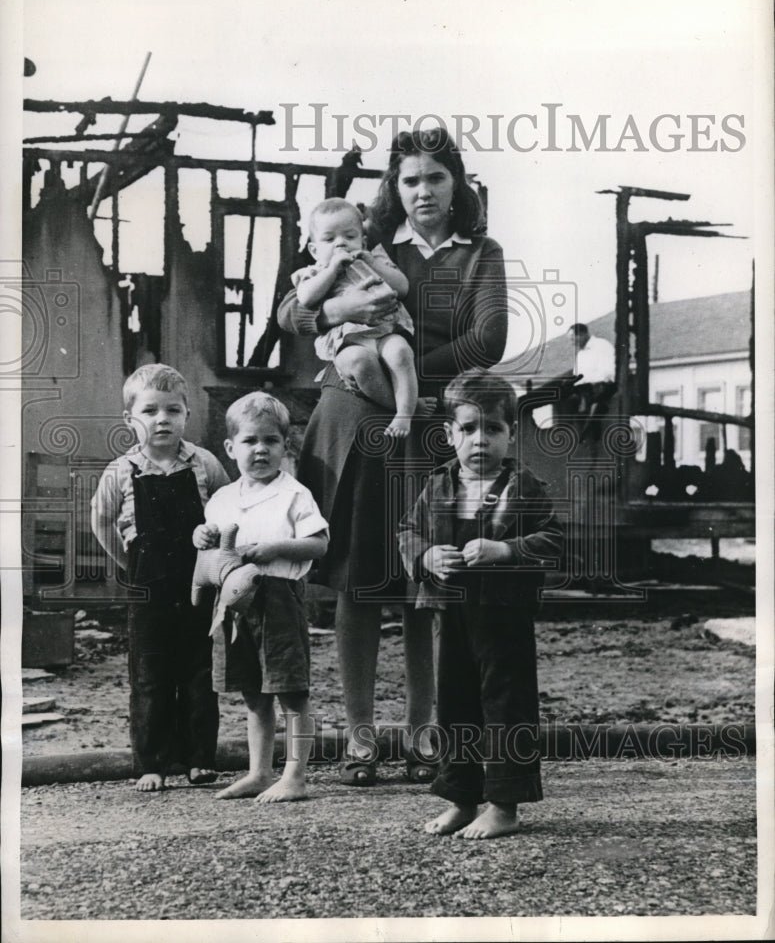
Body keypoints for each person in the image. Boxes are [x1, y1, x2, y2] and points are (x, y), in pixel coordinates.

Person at [277, 127, 507, 786]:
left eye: (435, 178)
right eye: (409, 180)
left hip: (428, 423)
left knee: (422, 583)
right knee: (357, 582)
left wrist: (394, 374)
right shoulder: (365, 241)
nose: (423, 191)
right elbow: (290, 314)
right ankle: (356, 737)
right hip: (350, 424)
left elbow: (487, 338)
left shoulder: (479, 253)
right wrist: (335, 312)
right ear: (394, 188)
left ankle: (421, 729)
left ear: (456, 183)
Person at [398, 369, 563, 839]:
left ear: (511, 433)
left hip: (503, 618)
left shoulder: (524, 487)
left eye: (493, 428)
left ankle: (505, 805)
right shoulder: (437, 486)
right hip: (450, 615)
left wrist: (507, 550)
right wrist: (427, 556)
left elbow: (554, 540)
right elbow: (407, 533)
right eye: (468, 428)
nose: (480, 440)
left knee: (505, 706)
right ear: (449, 433)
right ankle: (462, 798)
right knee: (453, 704)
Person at [91, 364, 230, 792]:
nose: (162, 419)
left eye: (173, 410)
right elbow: (101, 520)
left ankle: (198, 758)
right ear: (130, 419)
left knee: (199, 673)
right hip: (148, 589)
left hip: (198, 588)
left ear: (188, 415)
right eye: (149, 410)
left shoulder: (204, 463)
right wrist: (127, 566)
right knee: (149, 676)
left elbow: (229, 510)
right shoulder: (120, 470)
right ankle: (152, 763)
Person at [193, 392, 329, 802]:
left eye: (271, 441)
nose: (261, 450)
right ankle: (258, 771)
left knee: (289, 689)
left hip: (278, 598)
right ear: (231, 447)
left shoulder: (294, 493)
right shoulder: (222, 498)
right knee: (253, 690)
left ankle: (295, 775)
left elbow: (319, 544)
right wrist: (200, 536)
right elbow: (210, 549)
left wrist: (274, 548)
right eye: (250, 441)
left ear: (284, 446)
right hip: (234, 603)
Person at [292, 197, 421, 438]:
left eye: (349, 237)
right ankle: (401, 407)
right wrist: (332, 270)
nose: (341, 244)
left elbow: (402, 287)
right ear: (314, 249)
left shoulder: (375, 259)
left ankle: (405, 413)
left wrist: (371, 262)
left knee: (401, 352)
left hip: (385, 330)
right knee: (360, 363)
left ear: (362, 241)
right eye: (330, 239)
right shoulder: (316, 271)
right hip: (349, 340)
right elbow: (306, 298)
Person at [567, 323, 616, 419]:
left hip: (603, 388)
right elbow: (576, 376)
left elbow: (607, 373)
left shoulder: (602, 345)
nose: (572, 343)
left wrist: (585, 381)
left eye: (573, 339)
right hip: (584, 391)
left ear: (582, 334)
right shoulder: (580, 354)